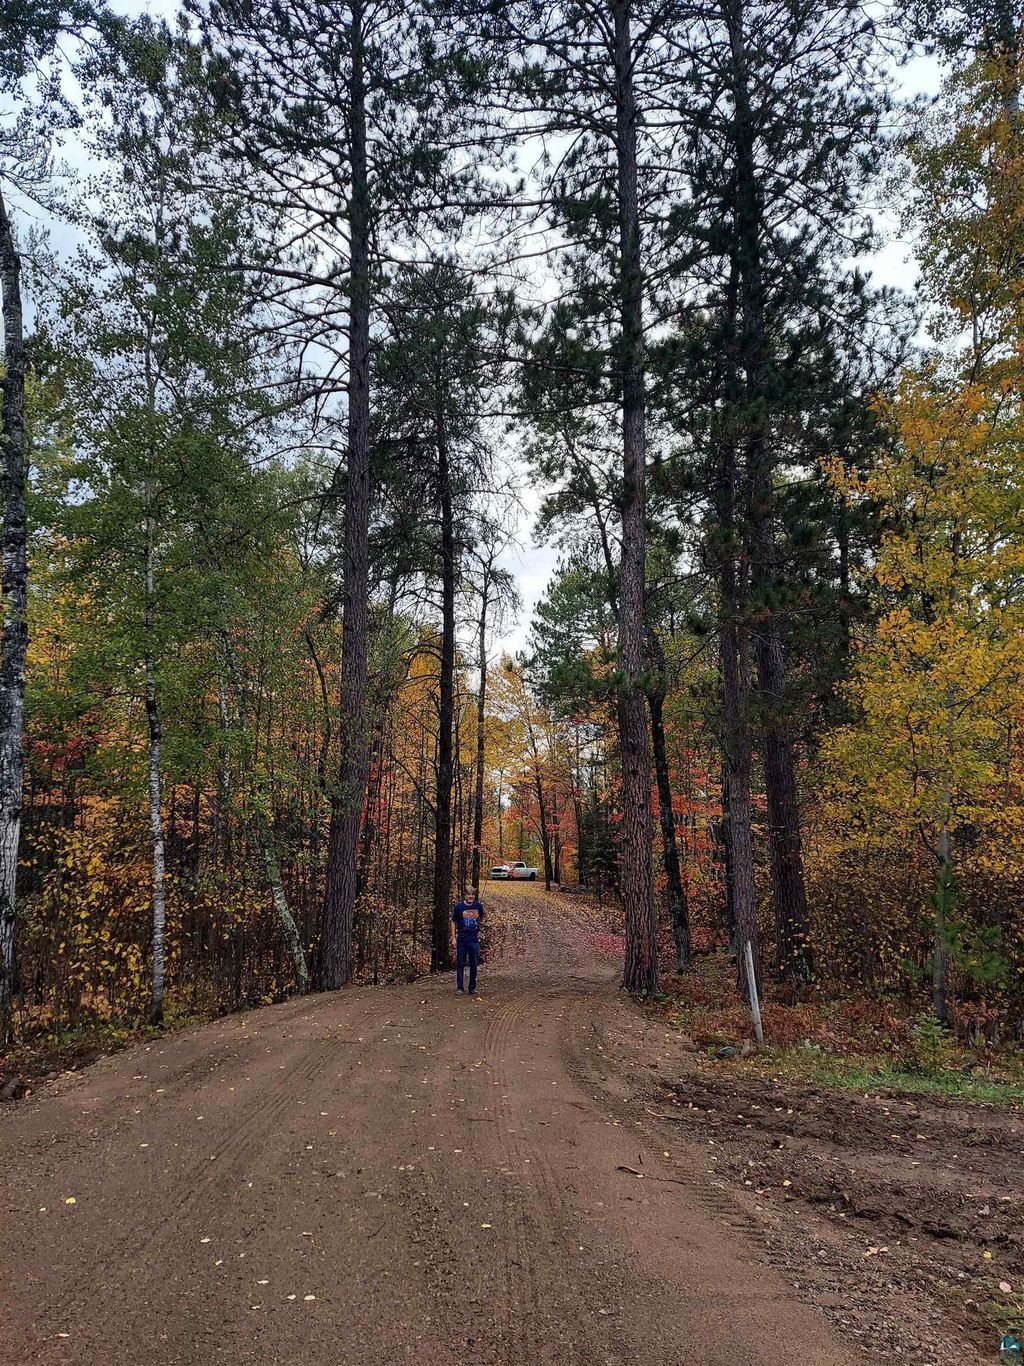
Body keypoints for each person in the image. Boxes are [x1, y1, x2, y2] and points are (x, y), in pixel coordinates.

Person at [452, 887, 485, 996]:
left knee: (474, 964)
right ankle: (460, 987)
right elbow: (453, 921)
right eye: (468, 894)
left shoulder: (478, 906)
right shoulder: (459, 907)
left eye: (472, 894)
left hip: (473, 940)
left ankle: (472, 987)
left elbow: (481, 918)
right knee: (460, 963)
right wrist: (453, 937)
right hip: (461, 939)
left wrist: (478, 928)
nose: (470, 896)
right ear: (465, 895)